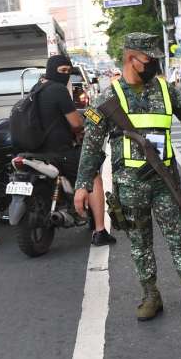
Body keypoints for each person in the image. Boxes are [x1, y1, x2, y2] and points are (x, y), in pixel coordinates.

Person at [74, 33, 181, 322]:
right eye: (150, 59)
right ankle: (151, 296)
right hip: (130, 187)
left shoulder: (165, 91)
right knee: (140, 244)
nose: (154, 64)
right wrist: (82, 185)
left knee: (180, 239)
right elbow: (91, 147)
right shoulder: (107, 98)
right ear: (132, 58)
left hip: (165, 181)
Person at [35, 55, 115, 246]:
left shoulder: (36, 89)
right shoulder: (59, 90)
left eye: (67, 71)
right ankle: (100, 231)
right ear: (51, 70)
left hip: (37, 152)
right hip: (59, 152)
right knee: (93, 175)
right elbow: (77, 124)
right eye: (62, 71)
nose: (65, 75)